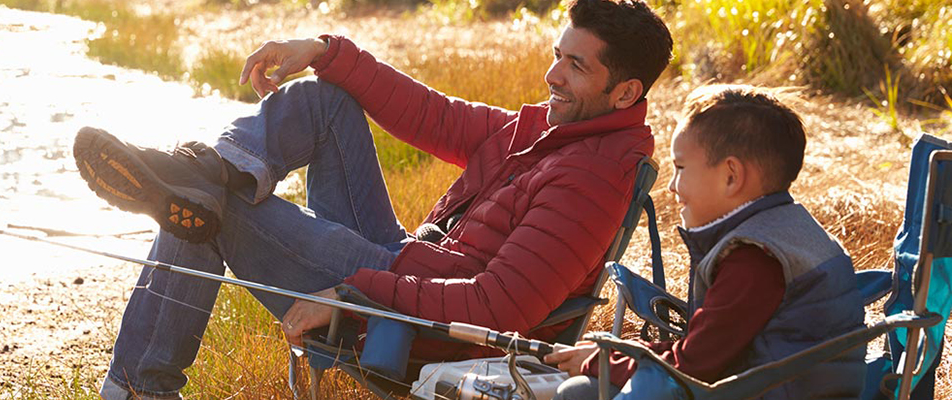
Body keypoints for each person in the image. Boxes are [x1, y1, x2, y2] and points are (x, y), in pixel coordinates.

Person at [74, 0, 673, 398]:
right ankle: (203, 170)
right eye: (555, 55)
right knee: (323, 103)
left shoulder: (592, 179)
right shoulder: (551, 130)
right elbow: (433, 116)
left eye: (575, 66)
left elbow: (497, 309)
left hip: (412, 323)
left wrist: (355, 294)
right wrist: (324, 51)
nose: (553, 77)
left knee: (212, 208)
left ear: (625, 92)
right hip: (408, 263)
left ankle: (137, 385)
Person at [543, 85, 866, 400]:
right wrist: (614, 353)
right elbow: (707, 349)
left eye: (680, 168)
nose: (671, 186)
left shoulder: (754, 259)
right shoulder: (789, 230)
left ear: (731, 176)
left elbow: (694, 369)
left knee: (581, 392)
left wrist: (602, 363)